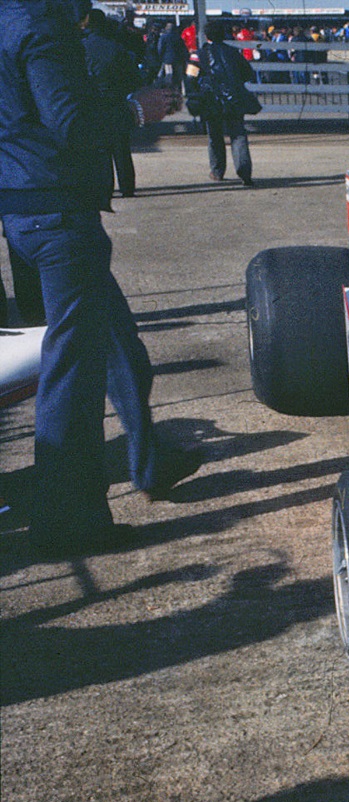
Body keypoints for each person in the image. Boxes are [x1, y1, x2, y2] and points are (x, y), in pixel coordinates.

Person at [1, 0, 201, 557]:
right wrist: (135, 110)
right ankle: (70, 522)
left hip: (23, 206)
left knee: (115, 345)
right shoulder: (42, 27)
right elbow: (72, 121)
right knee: (73, 372)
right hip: (59, 209)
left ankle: (147, 458)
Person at [81, 6, 140, 198]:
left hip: (93, 103)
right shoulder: (116, 48)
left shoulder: (80, 47)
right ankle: (127, 186)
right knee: (122, 148)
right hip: (116, 101)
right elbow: (132, 78)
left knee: (101, 150)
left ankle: (105, 188)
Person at [189, 20, 257, 186]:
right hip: (233, 99)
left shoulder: (198, 55)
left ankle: (217, 171)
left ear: (206, 36)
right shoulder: (234, 53)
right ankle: (244, 172)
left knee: (214, 137)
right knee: (238, 135)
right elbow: (248, 73)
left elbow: (190, 77)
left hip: (211, 101)